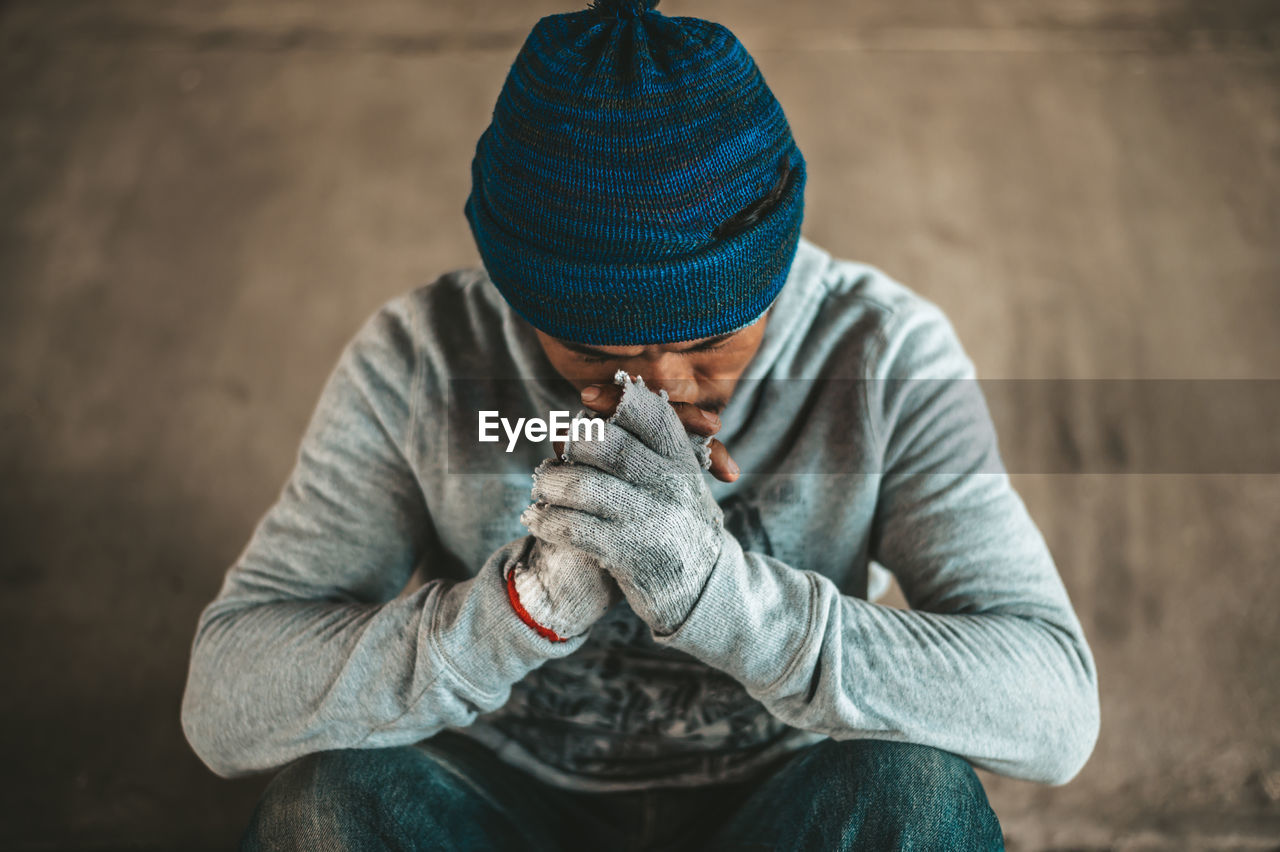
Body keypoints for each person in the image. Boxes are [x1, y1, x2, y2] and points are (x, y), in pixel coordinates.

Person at [179, 0, 1100, 849]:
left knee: (916, 797)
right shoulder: (421, 358)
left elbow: (1053, 711)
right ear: (518, 297)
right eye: (591, 350)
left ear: (768, 280)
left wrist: (724, 601)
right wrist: (510, 616)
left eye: (710, 340)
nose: (655, 391)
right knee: (328, 809)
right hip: (501, 804)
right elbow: (225, 700)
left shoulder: (882, 353)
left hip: (780, 802)